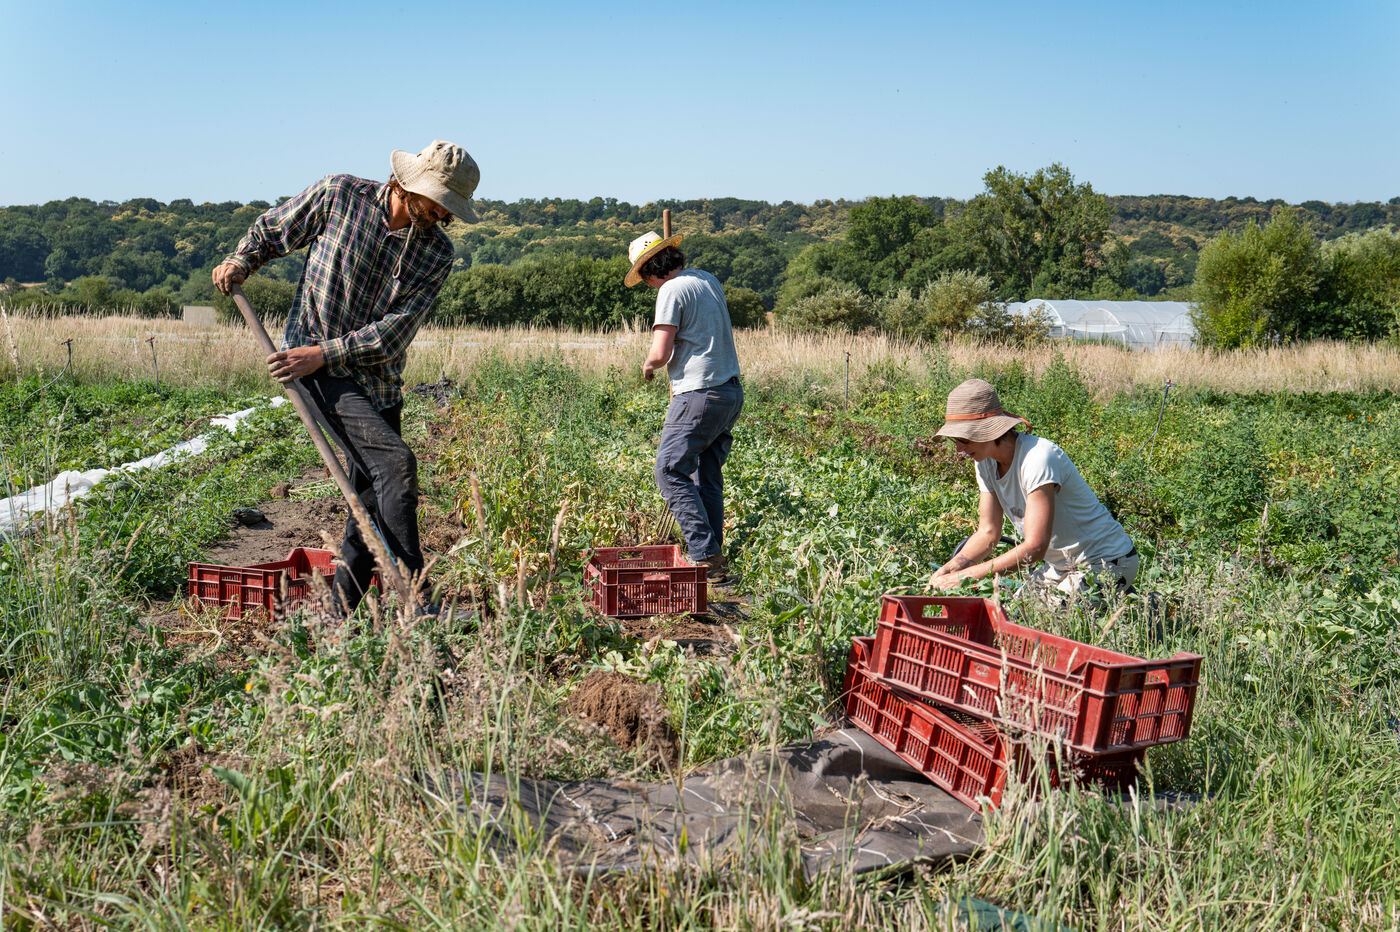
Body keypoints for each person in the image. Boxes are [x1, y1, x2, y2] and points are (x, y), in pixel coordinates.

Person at [212, 140, 480, 615]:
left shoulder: (437, 252)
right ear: (408, 183)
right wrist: (242, 259)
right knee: (395, 464)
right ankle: (418, 598)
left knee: (372, 497)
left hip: (376, 380)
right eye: (438, 201)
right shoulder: (339, 195)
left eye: (449, 208)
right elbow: (274, 230)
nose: (442, 214)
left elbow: (394, 333)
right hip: (314, 369)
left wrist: (325, 352)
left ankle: (338, 619)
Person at [927, 378, 1137, 605]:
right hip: (1060, 566)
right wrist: (951, 569)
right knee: (1016, 612)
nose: (958, 448)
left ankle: (1146, 612)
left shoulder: (1038, 458)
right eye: (954, 440)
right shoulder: (984, 462)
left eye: (963, 439)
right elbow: (988, 532)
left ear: (987, 431)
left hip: (1106, 560)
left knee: (1050, 619)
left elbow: (1035, 547)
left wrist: (966, 577)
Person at [625, 231, 743, 583]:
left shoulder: (670, 290)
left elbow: (661, 352)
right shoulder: (707, 280)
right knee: (705, 474)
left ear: (651, 269)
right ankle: (715, 560)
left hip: (698, 394)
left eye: (644, 277)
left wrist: (648, 366)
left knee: (669, 470)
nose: (648, 285)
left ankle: (704, 555)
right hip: (728, 392)